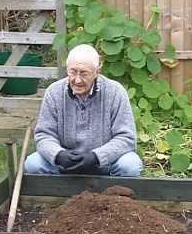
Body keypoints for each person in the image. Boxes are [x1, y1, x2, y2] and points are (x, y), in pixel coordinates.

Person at [24, 44, 143, 176]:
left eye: (84, 73)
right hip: (65, 164)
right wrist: (59, 155)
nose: (77, 80)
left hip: (103, 163)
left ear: (97, 72)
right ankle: (58, 192)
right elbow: (44, 135)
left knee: (130, 165)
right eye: (73, 72)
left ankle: (111, 194)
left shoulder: (115, 92)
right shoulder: (54, 92)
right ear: (67, 69)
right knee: (33, 163)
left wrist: (96, 157)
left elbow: (126, 138)